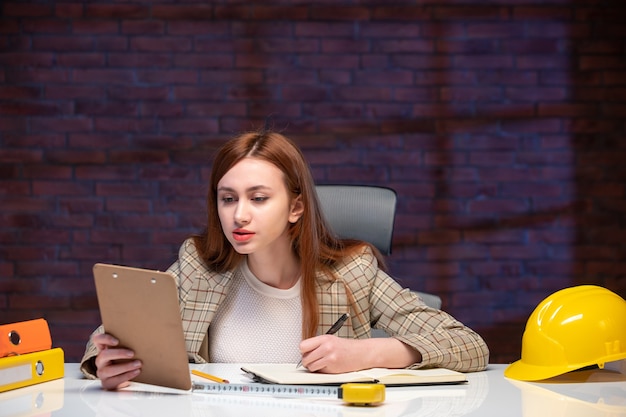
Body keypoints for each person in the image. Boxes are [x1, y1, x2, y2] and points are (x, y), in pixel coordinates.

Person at [80, 129, 489, 390]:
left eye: (258, 199)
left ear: (295, 207)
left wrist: (368, 354)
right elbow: (107, 339)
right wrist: (106, 364)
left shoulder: (351, 271)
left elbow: (469, 346)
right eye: (228, 199)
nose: (239, 215)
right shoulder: (197, 267)